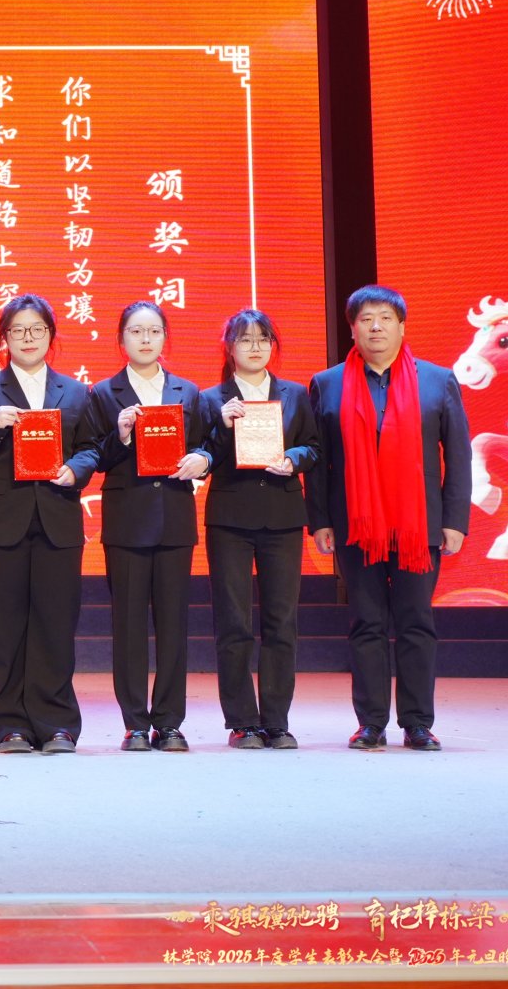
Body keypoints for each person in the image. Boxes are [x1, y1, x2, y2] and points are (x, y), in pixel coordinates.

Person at [306, 285, 470, 751]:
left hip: (420, 524)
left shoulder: (438, 380)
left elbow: (458, 455)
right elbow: (319, 460)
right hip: (356, 523)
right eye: (365, 319)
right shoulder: (328, 383)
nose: (375, 326)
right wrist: (320, 520)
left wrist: (455, 519)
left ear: (401, 326)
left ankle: (417, 722)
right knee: (367, 622)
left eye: (384, 318)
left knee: (416, 621)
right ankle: (371, 722)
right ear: (352, 329)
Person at [0, 295, 98, 755]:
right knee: (4, 628)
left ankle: (57, 723)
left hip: (58, 518)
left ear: (51, 335)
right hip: (1, 524)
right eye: (17, 330)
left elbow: (91, 447)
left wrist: (75, 470)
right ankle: (9, 725)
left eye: (37, 329)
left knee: (55, 625)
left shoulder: (75, 392)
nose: (27, 338)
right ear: (4, 338)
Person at [86, 300, 210, 753]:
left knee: (174, 624)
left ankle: (170, 722)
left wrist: (202, 459)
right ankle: (135, 723)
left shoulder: (187, 391)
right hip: (127, 522)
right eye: (136, 332)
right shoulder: (103, 394)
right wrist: (120, 436)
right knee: (129, 625)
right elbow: (94, 456)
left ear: (164, 338)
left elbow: (205, 445)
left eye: (154, 331)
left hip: (174, 519)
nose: (145, 339)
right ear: (121, 339)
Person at [199, 309, 319, 750]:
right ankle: (242, 722)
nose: (255, 347)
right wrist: (220, 425)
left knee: (281, 621)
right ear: (229, 348)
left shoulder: (295, 394)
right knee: (233, 621)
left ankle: (276, 720)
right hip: (230, 518)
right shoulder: (210, 399)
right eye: (245, 339)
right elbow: (202, 455)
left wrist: (293, 459)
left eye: (263, 339)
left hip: (282, 516)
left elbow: (313, 446)